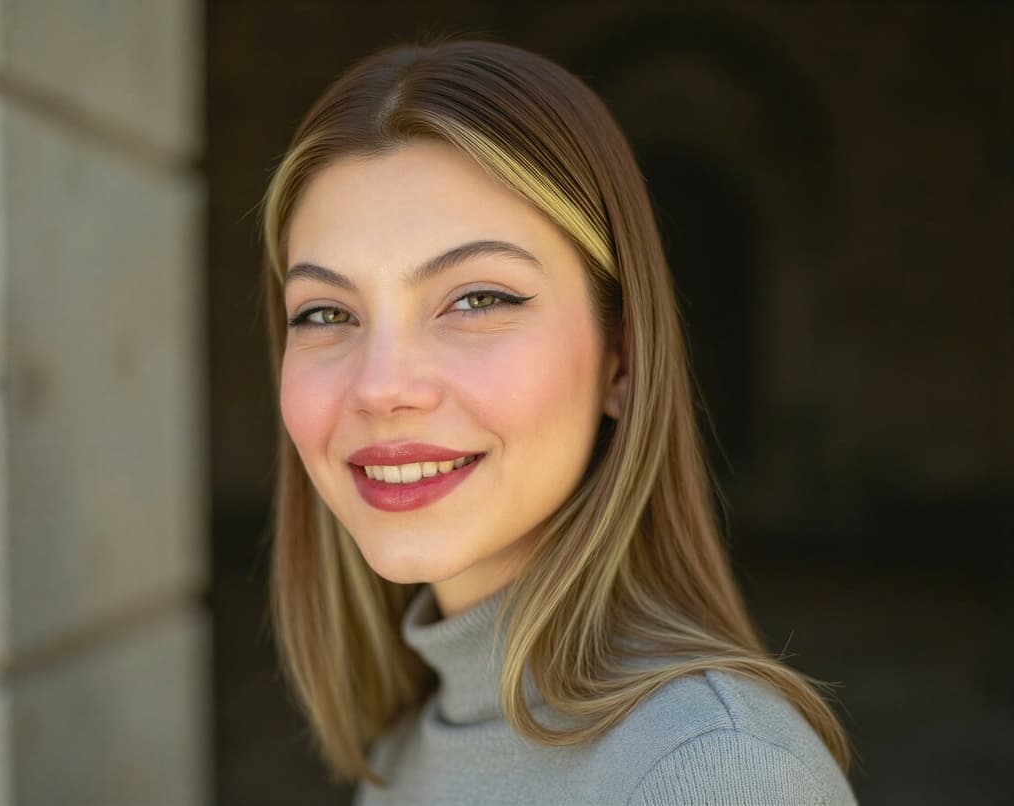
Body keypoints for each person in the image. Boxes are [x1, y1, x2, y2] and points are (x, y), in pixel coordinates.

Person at [259, 38, 856, 805]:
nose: (380, 388)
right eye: (327, 312)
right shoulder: (408, 750)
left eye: (478, 299)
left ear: (622, 359)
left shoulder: (715, 773)